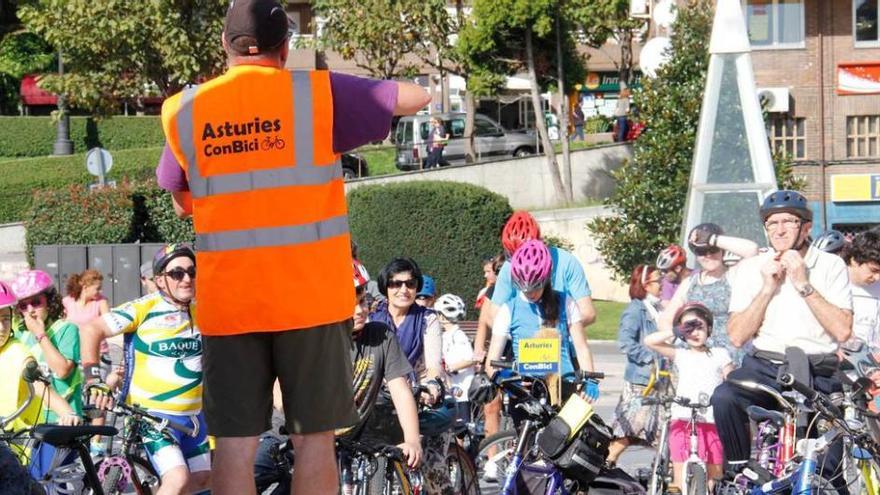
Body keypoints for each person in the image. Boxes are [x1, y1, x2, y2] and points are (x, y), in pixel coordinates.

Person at [155, 0, 431, 492]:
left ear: (224, 45)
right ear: (286, 48)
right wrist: (343, 89)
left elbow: (181, 200)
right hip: (310, 303)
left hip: (231, 306)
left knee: (234, 445)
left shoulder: (186, 108)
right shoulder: (316, 94)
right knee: (314, 442)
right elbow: (418, 97)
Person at [710, 190, 852, 486]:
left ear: (806, 227)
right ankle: (738, 473)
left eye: (788, 221)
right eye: (772, 224)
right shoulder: (751, 269)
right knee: (724, 397)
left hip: (817, 371)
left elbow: (842, 331)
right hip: (766, 367)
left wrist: (803, 284)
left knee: (829, 471)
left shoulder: (830, 265)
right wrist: (766, 288)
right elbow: (736, 336)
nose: (779, 230)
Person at [80, 244, 209, 495]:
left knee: (203, 480)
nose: (187, 278)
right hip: (154, 417)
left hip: (194, 417)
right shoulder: (144, 308)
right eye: (177, 273)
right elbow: (91, 330)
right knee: (178, 478)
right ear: (160, 280)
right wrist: (93, 379)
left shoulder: (202, 310)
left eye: (193, 272)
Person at [485, 240, 598, 405]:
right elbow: (491, 361)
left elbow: (581, 348)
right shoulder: (508, 310)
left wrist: (590, 379)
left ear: (546, 279)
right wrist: (504, 378)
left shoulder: (566, 302)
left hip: (562, 387)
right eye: (524, 287)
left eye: (535, 287)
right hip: (525, 390)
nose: (530, 293)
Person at [645, 302, 733, 491]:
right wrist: (675, 331)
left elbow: (731, 382)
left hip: (712, 420)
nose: (694, 333)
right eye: (688, 329)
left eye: (699, 327)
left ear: (709, 328)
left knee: (714, 475)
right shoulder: (681, 354)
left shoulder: (720, 354)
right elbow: (650, 341)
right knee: (680, 474)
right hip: (683, 419)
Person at [343, 260, 422, 466]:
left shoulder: (381, 335)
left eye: (362, 301)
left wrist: (412, 439)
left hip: (351, 440)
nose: (360, 310)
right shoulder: (317, 339)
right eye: (349, 303)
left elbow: (400, 390)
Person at [10, 270, 84, 476]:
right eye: (23, 305)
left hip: (62, 419)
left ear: (49, 300)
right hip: (30, 420)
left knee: (43, 480)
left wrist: (40, 335)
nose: (30, 310)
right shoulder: (20, 334)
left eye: (36, 302)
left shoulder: (66, 329)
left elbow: (61, 371)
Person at [658, 223, 759, 365]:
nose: (708, 256)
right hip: (698, 360)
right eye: (701, 252)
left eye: (713, 250)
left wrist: (713, 239)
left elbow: (752, 251)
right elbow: (665, 319)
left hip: (731, 359)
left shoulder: (734, 275)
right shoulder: (690, 283)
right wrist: (678, 339)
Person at [607, 264, 664, 465]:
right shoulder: (635, 310)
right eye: (658, 280)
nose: (662, 284)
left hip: (659, 380)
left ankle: (670, 475)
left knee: (656, 429)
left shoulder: (659, 308)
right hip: (641, 380)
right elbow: (625, 342)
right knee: (630, 427)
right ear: (646, 285)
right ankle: (606, 462)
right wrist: (650, 358)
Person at [370, 258, 443, 382]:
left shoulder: (427, 319)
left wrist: (432, 386)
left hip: (416, 390)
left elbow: (433, 367)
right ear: (385, 287)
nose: (404, 290)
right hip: (377, 393)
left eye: (410, 284)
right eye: (396, 284)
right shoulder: (372, 320)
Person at [435, 293, 476, 426]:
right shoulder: (447, 335)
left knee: (461, 428)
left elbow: (471, 359)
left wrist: (450, 367)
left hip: (461, 389)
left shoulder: (458, 336)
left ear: (441, 316)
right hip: (452, 387)